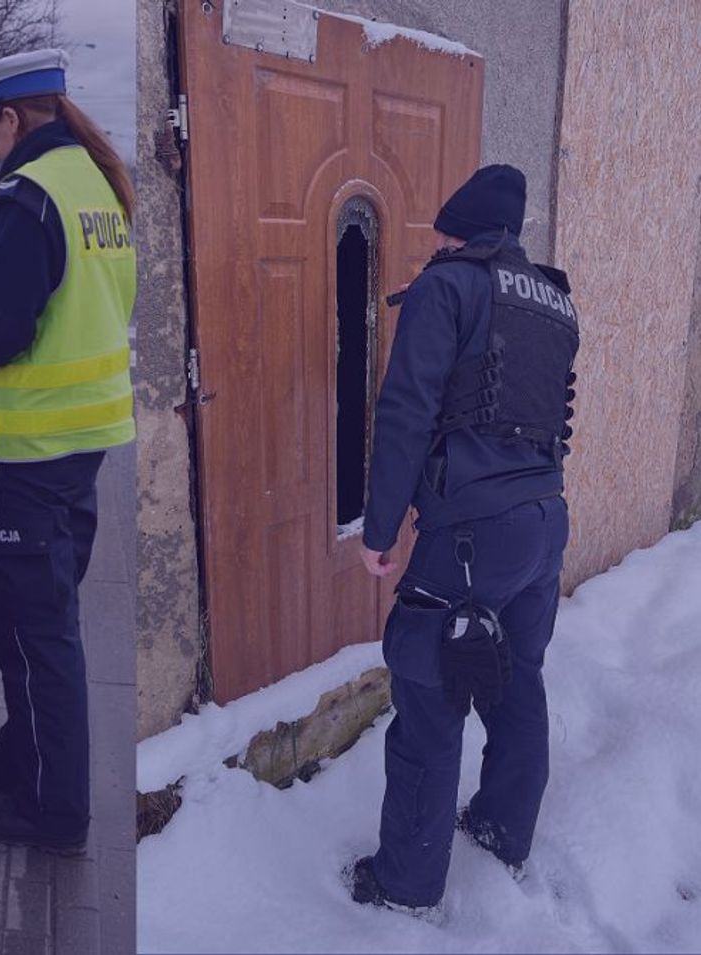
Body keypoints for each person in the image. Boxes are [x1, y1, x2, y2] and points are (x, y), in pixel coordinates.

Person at [0, 48, 135, 854]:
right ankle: (23, 753)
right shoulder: (97, 186)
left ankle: (56, 809)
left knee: (39, 633)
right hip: (79, 442)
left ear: (13, 118)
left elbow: (2, 332)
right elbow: (80, 309)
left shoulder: (28, 194)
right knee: (23, 623)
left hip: (30, 446)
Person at [350, 165, 579, 912]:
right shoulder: (554, 301)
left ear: (456, 231)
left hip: (473, 535)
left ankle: (405, 883)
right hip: (545, 523)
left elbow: (407, 412)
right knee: (517, 678)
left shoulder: (445, 286)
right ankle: (503, 828)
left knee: (428, 690)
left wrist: (378, 529)